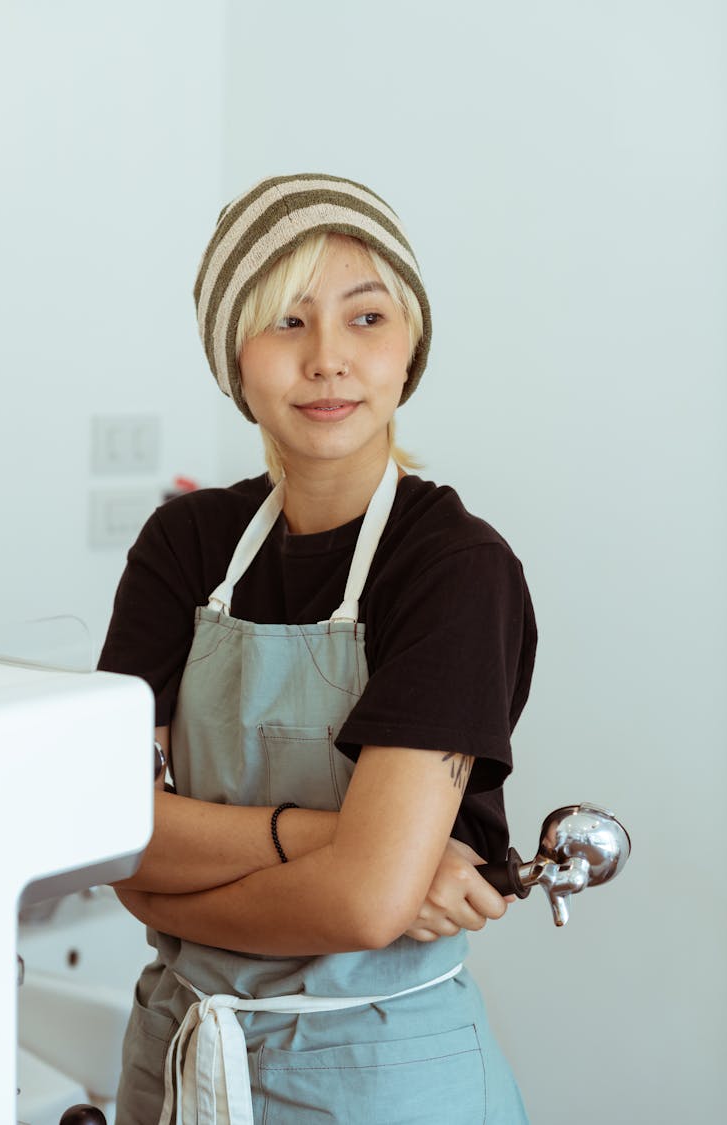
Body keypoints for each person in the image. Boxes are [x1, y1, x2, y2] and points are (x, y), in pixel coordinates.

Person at [99, 172, 537, 1125]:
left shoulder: (455, 568)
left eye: (367, 318)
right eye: (286, 323)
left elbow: (365, 907)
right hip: (178, 1051)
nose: (330, 361)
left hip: (383, 1070)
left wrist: (164, 894)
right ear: (235, 358)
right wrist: (337, 840)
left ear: (409, 345)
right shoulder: (186, 546)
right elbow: (107, 824)